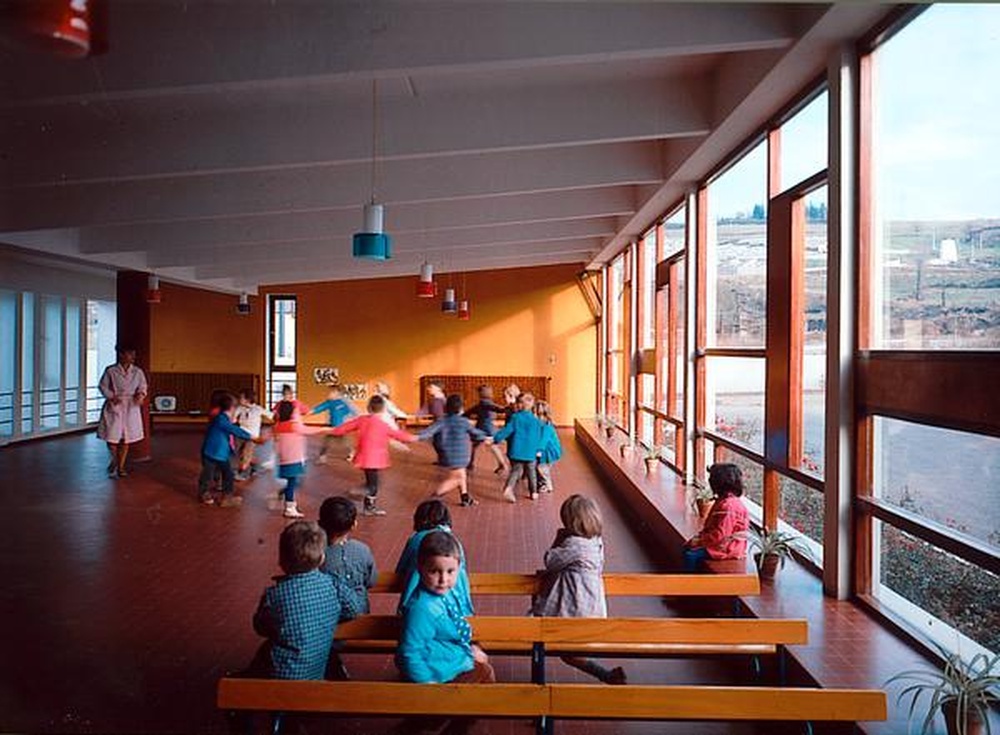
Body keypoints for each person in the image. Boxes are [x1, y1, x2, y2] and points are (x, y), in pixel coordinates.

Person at [531, 494, 626, 685]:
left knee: (558, 647)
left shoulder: (575, 545)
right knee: (567, 652)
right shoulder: (596, 542)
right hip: (591, 607)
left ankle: (604, 675)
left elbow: (550, 561)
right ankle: (605, 675)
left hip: (575, 610)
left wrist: (559, 538)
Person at [396, 531, 494, 685]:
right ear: (420, 568)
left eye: (450, 571)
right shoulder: (422, 608)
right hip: (438, 674)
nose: (443, 579)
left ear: (459, 569)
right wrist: (428, 684)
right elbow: (410, 653)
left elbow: (451, 632)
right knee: (485, 674)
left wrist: (470, 650)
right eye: (434, 571)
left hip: (450, 660)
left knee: (484, 667)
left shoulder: (445, 594)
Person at [247, 521, 341, 680]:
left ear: (281, 561)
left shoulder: (275, 594)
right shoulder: (331, 584)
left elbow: (261, 627)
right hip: (317, 673)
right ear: (322, 558)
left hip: (280, 676)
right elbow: (353, 607)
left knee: (266, 651)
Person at [330, 394, 418, 516]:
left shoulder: (362, 420)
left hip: (364, 457)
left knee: (372, 483)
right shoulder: (382, 424)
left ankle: (368, 506)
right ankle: (360, 493)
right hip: (374, 460)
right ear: (382, 409)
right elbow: (397, 434)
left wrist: (331, 430)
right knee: (373, 485)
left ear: (368, 408)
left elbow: (344, 428)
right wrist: (413, 438)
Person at [396, 499, 473, 616]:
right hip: (459, 605)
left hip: (422, 603)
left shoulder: (416, 539)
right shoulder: (453, 541)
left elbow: (400, 571)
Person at [417, 394, 489, 507]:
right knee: (455, 479)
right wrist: (486, 437)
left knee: (461, 475)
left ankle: (465, 498)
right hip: (462, 456)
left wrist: (417, 437)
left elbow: (429, 432)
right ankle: (432, 499)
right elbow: (476, 433)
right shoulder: (463, 421)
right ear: (461, 409)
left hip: (448, 455)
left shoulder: (443, 421)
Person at [272, 399, 332, 518]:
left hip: (284, 460)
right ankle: (289, 507)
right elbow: (309, 430)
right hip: (294, 459)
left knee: (295, 482)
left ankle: (284, 495)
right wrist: (326, 429)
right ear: (291, 412)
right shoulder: (293, 426)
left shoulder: (278, 426)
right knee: (293, 482)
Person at [683, 463, 749, 572]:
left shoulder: (729, 506)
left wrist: (699, 542)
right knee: (687, 547)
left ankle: (689, 585)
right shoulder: (724, 501)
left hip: (728, 547)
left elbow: (721, 534)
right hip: (721, 543)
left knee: (690, 555)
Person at [317, 496, 378, 615]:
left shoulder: (315, 553)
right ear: (354, 525)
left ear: (320, 524)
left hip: (328, 615)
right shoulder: (362, 550)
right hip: (361, 615)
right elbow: (371, 581)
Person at [96, 344, 148, 478]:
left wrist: (140, 395)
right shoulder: (111, 371)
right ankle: (114, 459)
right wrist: (111, 397)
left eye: (133, 354)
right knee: (111, 437)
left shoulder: (137, 371)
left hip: (131, 405)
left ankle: (121, 466)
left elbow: (143, 386)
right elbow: (102, 386)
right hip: (116, 404)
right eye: (130, 354)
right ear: (121, 354)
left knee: (126, 438)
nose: (133, 357)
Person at [198, 393, 253, 507]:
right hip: (212, 453)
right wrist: (252, 436)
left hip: (220, 454)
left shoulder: (224, 418)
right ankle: (204, 494)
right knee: (208, 474)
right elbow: (233, 430)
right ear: (232, 408)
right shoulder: (221, 419)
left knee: (227, 474)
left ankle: (226, 497)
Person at [490, 391, 544, 503]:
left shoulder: (515, 417)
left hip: (516, 451)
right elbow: (539, 437)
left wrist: (495, 439)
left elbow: (507, 431)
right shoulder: (536, 421)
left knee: (515, 470)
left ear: (520, 405)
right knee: (531, 472)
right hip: (530, 452)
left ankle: (509, 488)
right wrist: (539, 449)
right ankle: (533, 492)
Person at [463, 384, 511, 475]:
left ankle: (502, 465)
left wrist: (462, 415)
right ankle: (471, 463)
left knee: (483, 446)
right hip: (487, 428)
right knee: (487, 446)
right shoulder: (487, 403)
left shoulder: (484, 404)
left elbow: (469, 412)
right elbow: (498, 409)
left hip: (483, 428)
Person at [309, 385, 358, 464]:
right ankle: (322, 458)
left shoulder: (344, 403)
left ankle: (352, 453)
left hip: (343, 428)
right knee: (326, 442)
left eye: (331, 392)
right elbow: (320, 408)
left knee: (347, 443)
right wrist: (310, 412)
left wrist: (351, 422)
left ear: (337, 393)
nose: (329, 394)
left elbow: (353, 412)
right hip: (332, 428)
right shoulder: (329, 402)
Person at [233, 387, 269, 480]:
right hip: (240, 435)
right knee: (242, 453)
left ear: (247, 400)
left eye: (241, 398)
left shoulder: (258, 409)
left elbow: (271, 415)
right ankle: (255, 467)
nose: (239, 399)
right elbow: (233, 418)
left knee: (246, 454)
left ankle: (243, 473)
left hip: (252, 437)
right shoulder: (240, 408)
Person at [534, 400, 562, 494]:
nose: (538, 417)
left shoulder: (547, 427)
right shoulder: (540, 424)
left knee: (542, 468)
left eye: (540, 415)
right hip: (545, 451)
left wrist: (538, 450)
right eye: (536, 414)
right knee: (541, 467)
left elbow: (543, 441)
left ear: (546, 416)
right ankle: (542, 482)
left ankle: (548, 485)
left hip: (549, 451)